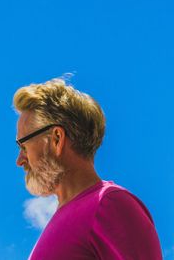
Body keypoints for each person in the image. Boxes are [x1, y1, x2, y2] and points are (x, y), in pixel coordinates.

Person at [13, 78, 163, 260]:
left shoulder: (110, 205)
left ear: (56, 139)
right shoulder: (62, 220)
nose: (20, 160)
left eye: (23, 146)